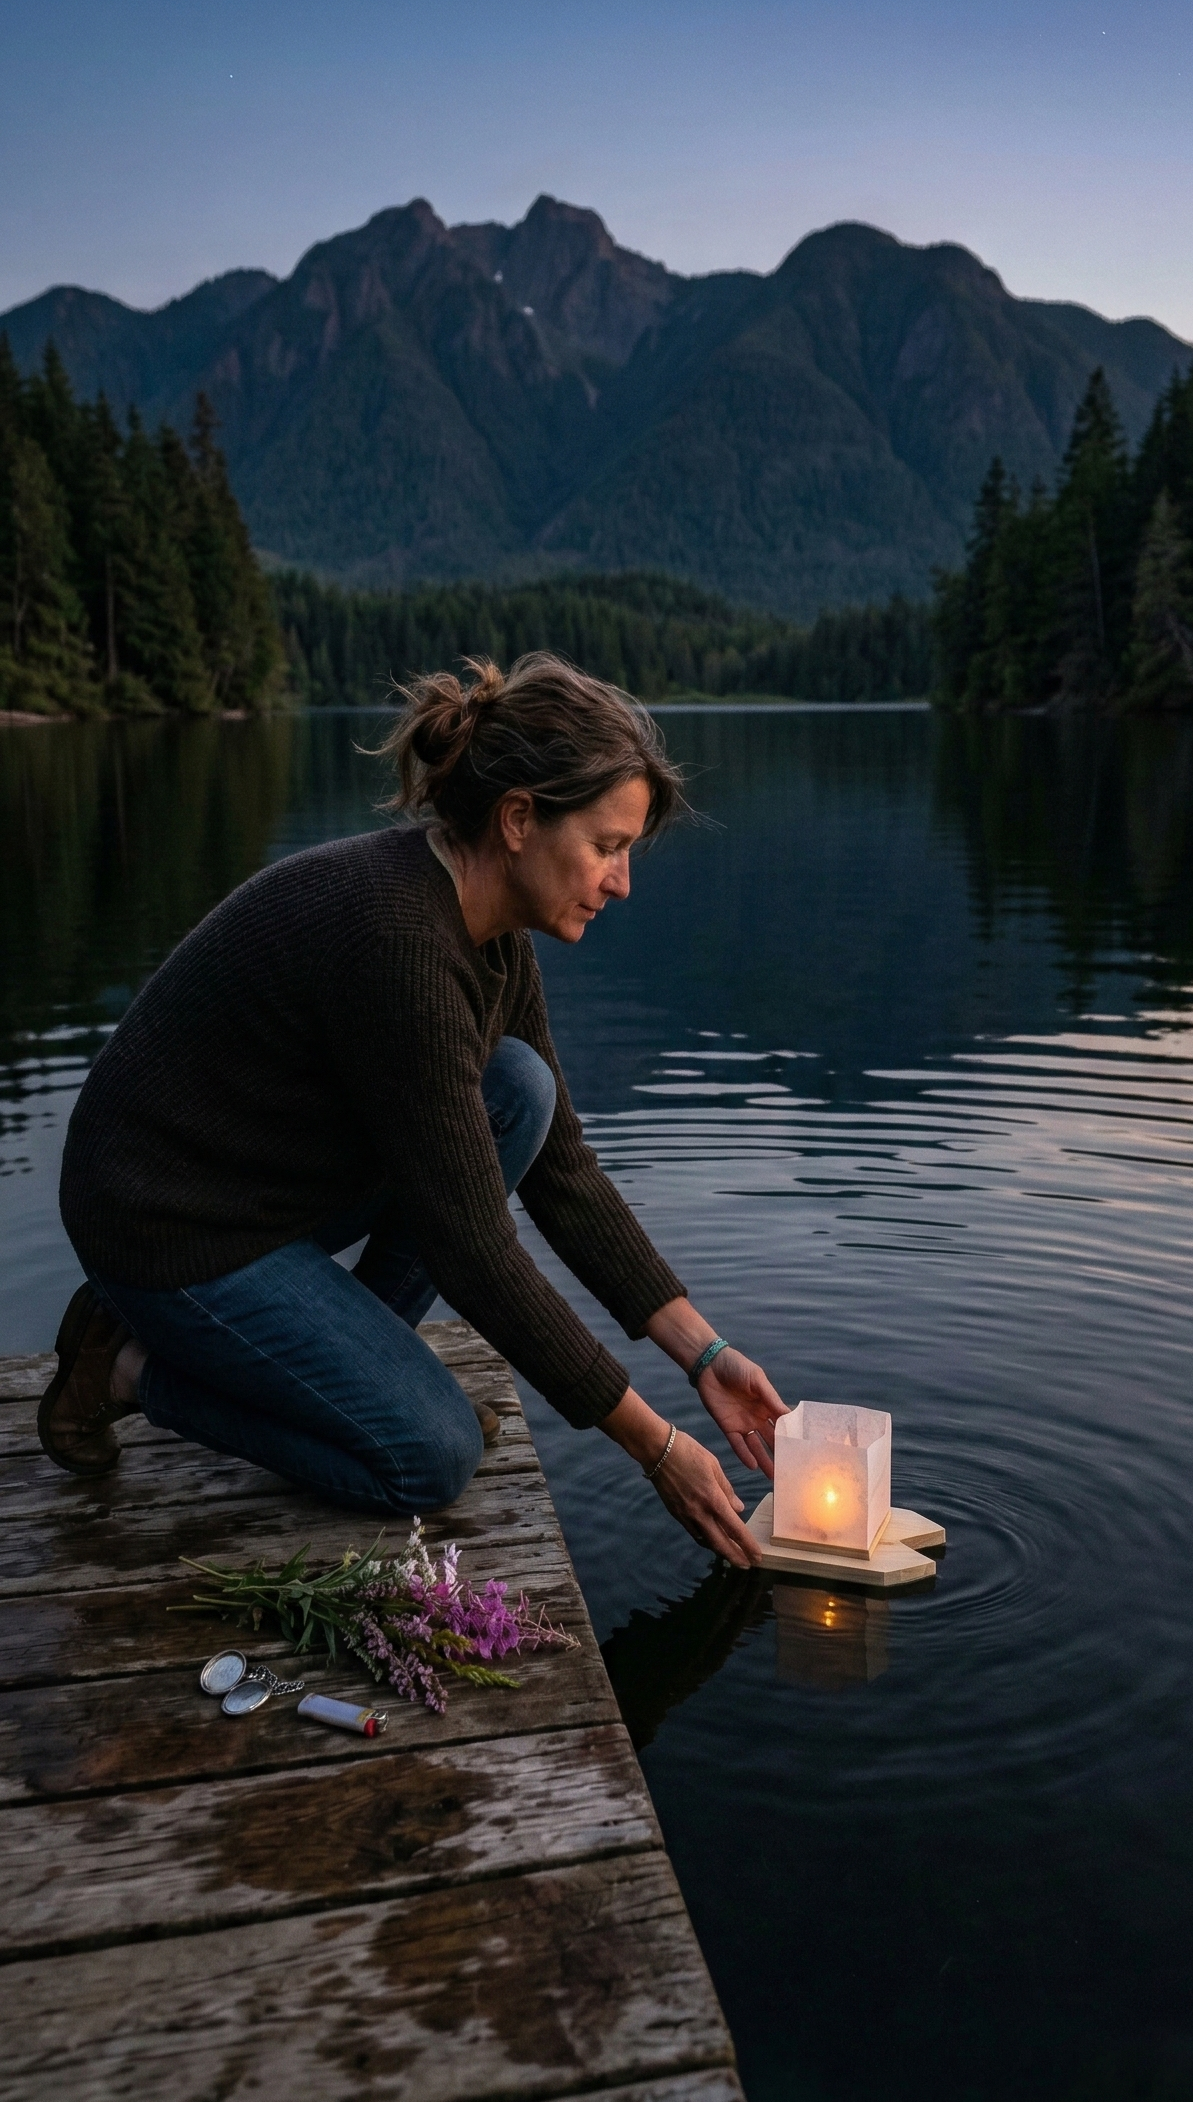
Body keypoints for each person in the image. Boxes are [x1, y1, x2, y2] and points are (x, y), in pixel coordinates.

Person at [40, 653, 785, 1568]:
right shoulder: (401, 948)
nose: (622, 881)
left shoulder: (492, 934)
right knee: (427, 1455)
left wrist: (706, 1356)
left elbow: (564, 1172)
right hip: (168, 1223)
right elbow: (473, 1248)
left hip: (264, 1183)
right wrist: (656, 1446)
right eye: (607, 845)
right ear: (519, 820)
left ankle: (351, 1374)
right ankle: (122, 1366)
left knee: (522, 1093)